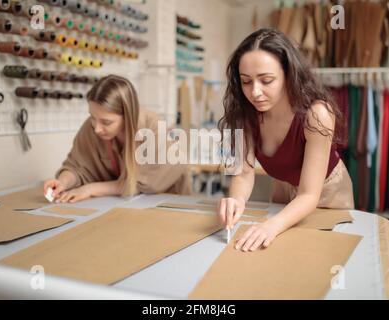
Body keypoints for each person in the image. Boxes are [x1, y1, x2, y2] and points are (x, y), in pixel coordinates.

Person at [217, 28, 354, 252]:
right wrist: (236, 200)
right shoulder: (247, 113)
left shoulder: (317, 114)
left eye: (266, 80)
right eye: (246, 81)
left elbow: (310, 194)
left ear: (289, 74)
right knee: (281, 252)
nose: (255, 92)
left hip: (327, 192)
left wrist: (271, 227)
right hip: (283, 184)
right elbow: (243, 172)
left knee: (321, 253)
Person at [44, 75, 191, 203]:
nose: (97, 128)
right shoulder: (92, 128)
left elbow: (147, 183)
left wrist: (91, 189)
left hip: (168, 203)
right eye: (92, 117)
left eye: (106, 122)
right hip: (123, 206)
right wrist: (63, 182)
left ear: (127, 116)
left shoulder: (153, 127)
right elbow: (77, 167)